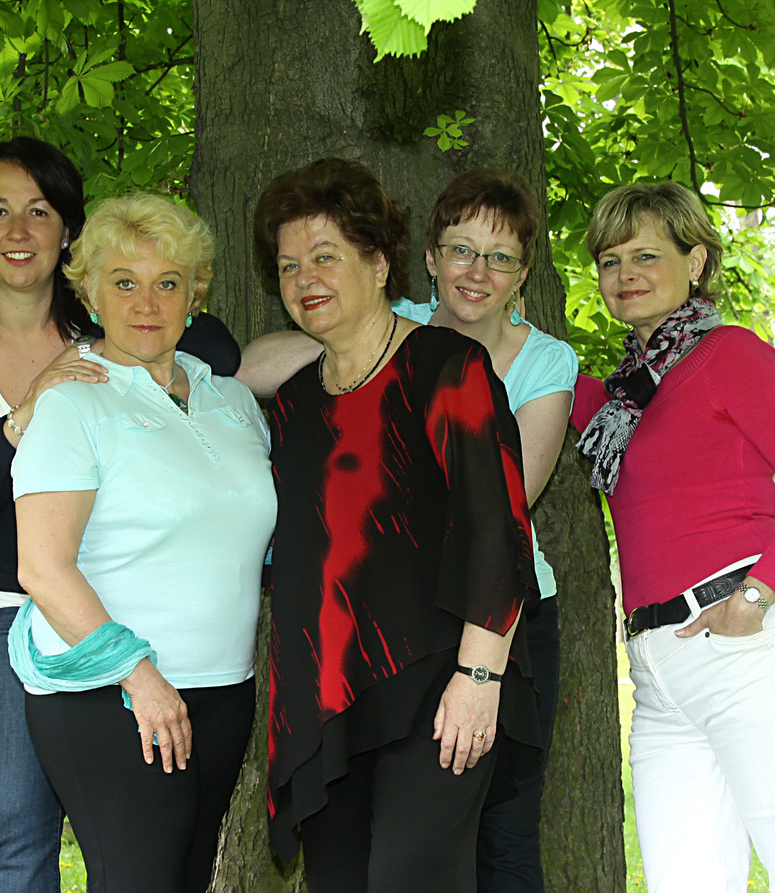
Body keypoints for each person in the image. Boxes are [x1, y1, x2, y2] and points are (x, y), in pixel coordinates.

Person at [0, 138, 242, 893]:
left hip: (123, 618)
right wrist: (32, 408)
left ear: (68, 231)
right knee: (18, 834)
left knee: (130, 846)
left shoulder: (110, 318)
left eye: (39, 211)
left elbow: (216, 348)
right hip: (14, 613)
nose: (18, 230)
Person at [238, 166, 574, 892]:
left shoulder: (449, 367)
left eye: (325, 256)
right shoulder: (294, 403)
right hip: (332, 697)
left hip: (439, 684)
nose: (305, 279)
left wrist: (479, 677)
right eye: (289, 266)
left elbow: (497, 532)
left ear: (380, 264)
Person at [573, 181, 775, 893]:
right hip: (657, 673)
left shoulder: (731, 355)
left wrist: (755, 597)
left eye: (646, 255)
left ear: (695, 260)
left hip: (751, 650)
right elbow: (517, 363)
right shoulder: (619, 402)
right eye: (610, 261)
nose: (625, 274)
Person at [4, 192, 274, 893]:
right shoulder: (71, 404)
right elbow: (43, 567)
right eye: (124, 282)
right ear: (91, 294)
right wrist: (139, 676)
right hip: (110, 694)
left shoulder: (232, 401)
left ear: (195, 296)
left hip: (222, 691)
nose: (147, 303)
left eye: (168, 283)